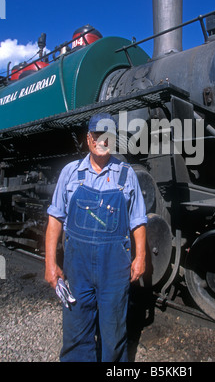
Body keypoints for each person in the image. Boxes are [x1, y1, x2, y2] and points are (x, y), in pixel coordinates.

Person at [44, 112, 147, 362]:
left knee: (113, 334)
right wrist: (49, 263)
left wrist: (141, 257)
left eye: (108, 136)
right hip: (77, 269)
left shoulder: (126, 175)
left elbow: (138, 221)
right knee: (76, 331)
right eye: (97, 135)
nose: (102, 141)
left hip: (114, 269)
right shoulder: (70, 174)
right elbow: (55, 219)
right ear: (89, 139)